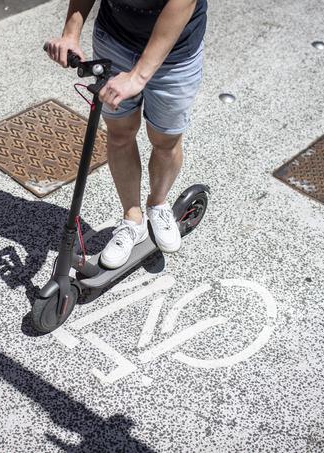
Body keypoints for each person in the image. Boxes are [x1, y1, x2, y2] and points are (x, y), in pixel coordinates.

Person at [45, 0, 207, 269]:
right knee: (120, 134)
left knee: (164, 140)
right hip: (115, 40)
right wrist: (71, 33)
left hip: (175, 53)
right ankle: (133, 219)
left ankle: (158, 204)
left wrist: (138, 76)